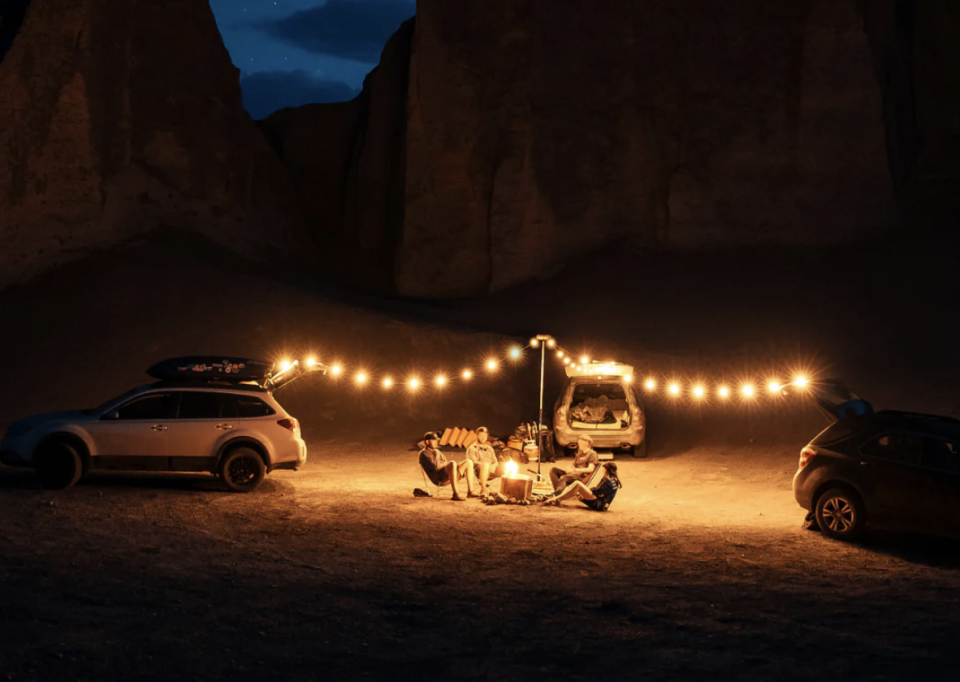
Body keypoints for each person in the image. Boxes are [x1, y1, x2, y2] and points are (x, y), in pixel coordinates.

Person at [418, 431, 479, 501]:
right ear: (427, 442)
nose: (436, 442)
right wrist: (442, 461)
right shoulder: (424, 453)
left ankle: (470, 492)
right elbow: (436, 467)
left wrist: (443, 462)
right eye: (433, 440)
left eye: (436, 441)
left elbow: (445, 462)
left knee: (468, 462)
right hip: (439, 478)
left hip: (447, 475)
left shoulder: (437, 451)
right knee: (452, 463)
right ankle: (455, 494)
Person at [541, 462, 622, 511]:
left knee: (577, 484)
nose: (602, 471)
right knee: (575, 487)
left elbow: (597, 493)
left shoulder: (609, 481)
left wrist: (584, 494)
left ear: (607, 470)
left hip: (599, 504)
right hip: (600, 501)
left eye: (603, 470)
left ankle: (557, 499)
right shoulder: (613, 480)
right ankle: (557, 499)